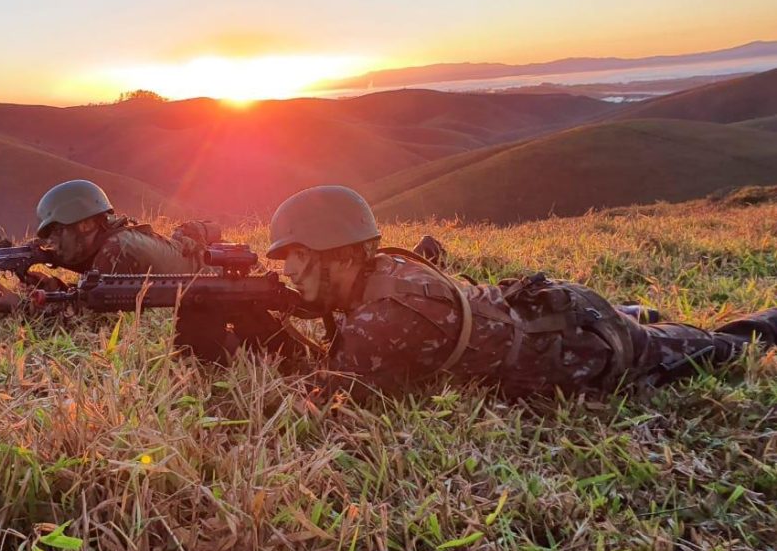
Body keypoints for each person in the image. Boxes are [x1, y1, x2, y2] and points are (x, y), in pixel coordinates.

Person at [254, 185, 777, 399]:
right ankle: (635, 316)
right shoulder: (384, 268)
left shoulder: (383, 321)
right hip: (548, 309)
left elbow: (328, 402)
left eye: (298, 257)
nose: (291, 272)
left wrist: (259, 341)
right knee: (641, 324)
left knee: (722, 345)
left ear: (341, 253)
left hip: (584, 348)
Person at [0, 179, 212, 312]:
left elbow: (92, 319)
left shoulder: (117, 250)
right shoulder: (104, 238)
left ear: (86, 225)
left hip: (208, 277)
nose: (50, 243)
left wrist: (21, 306)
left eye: (57, 231)